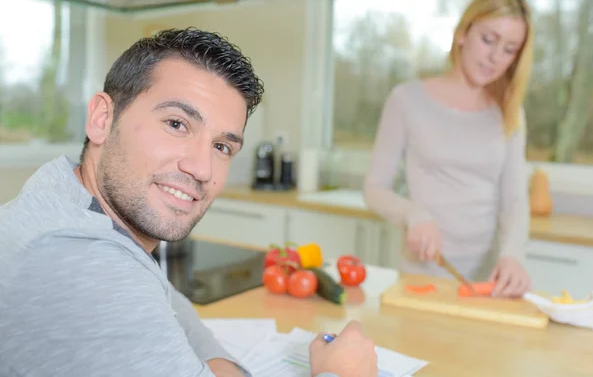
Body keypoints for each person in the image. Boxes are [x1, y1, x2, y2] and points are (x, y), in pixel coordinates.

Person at [0, 28, 378, 377]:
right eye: (177, 124)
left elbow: (170, 303)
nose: (201, 168)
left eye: (221, 146)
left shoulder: (66, 200)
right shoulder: (79, 261)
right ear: (102, 118)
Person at [363, 0, 535, 298]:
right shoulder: (407, 100)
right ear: (462, 34)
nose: (496, 57)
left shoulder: (510, 113)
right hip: (424, 275)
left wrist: (513, 254)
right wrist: (413, 214)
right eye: (488, 39)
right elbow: (374, 189)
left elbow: (514, 199)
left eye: (510, 49)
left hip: (488, 279)